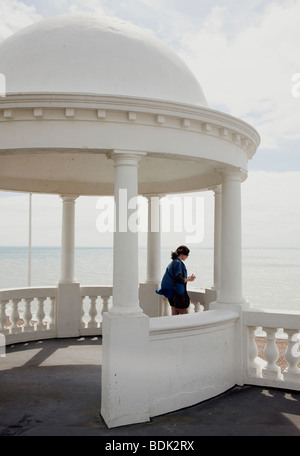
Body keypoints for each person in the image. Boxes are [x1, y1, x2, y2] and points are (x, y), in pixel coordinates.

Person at [156, 245, 196, 315]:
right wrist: (189, 279)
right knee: (186, 317)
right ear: (182, 254)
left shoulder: (173, 262)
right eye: (187, 254)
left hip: (172, 294)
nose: (187, 256)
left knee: (174, 315)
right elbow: (179, 279)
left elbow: (175, 277)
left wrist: (188, 278)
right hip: (178, 293)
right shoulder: (178, 263)